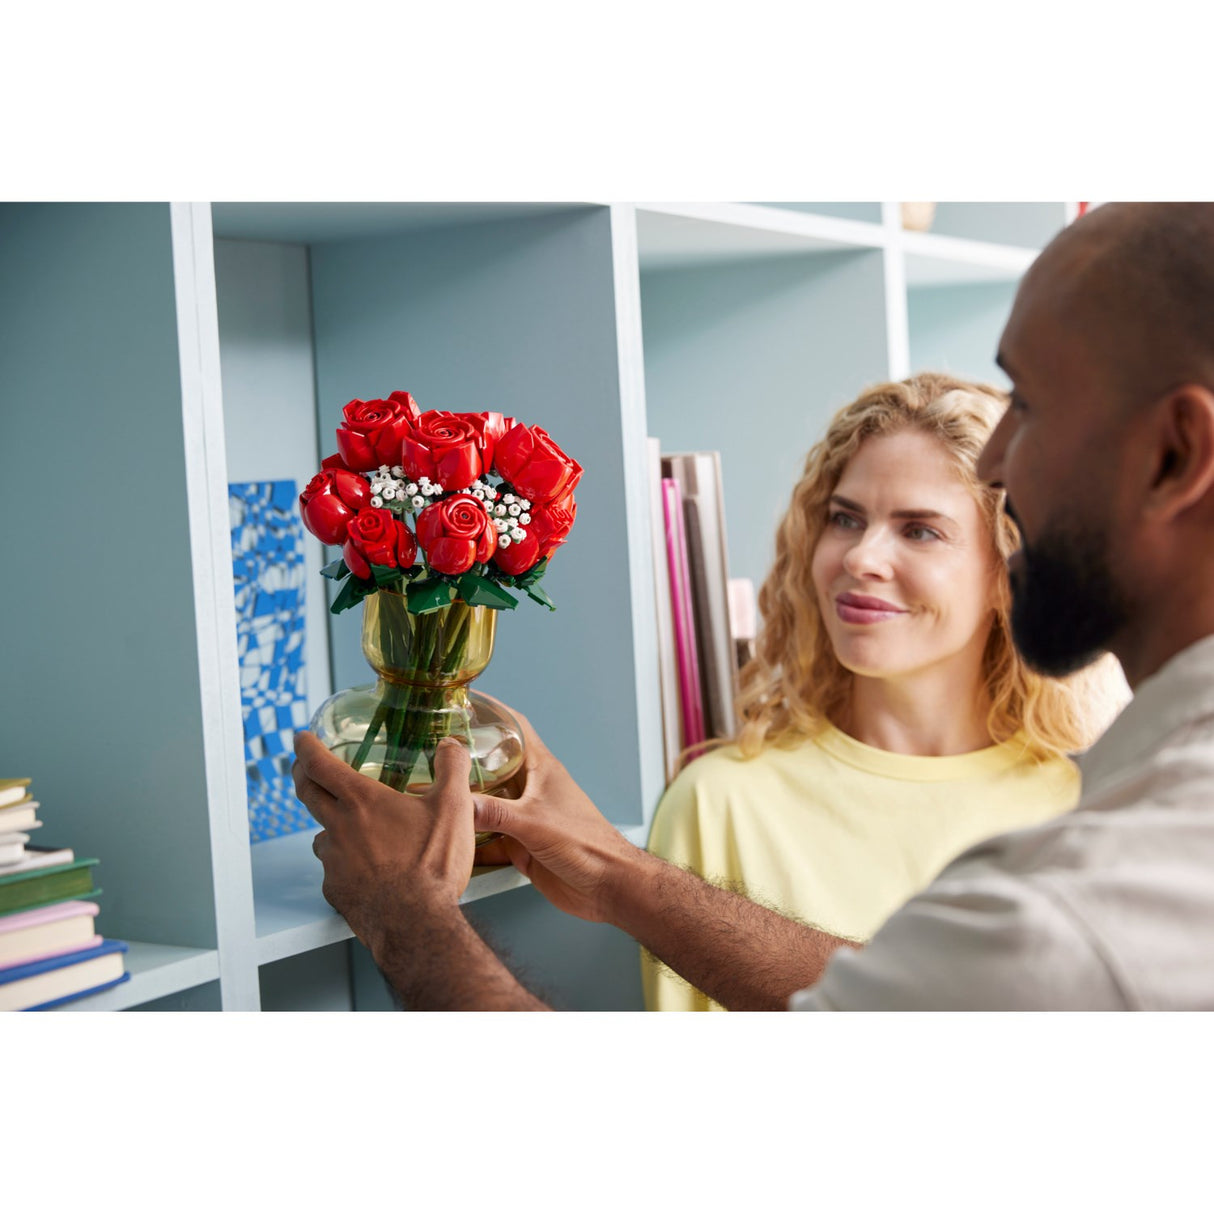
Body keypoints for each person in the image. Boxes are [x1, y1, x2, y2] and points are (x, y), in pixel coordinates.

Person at [294, 201, 1214, 1011]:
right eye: (844, 519)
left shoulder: (1080, 905)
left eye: (1037, 405)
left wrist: (409, 922)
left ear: (1175, 456)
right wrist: (622, 874)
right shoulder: (1131, 851)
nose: (1001, 464)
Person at [643, 373, 1124, 1011]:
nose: (860, 558)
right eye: (845, 519)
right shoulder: (718, 804)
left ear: (1009, 563)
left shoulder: (1088, 809)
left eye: (919, 529)